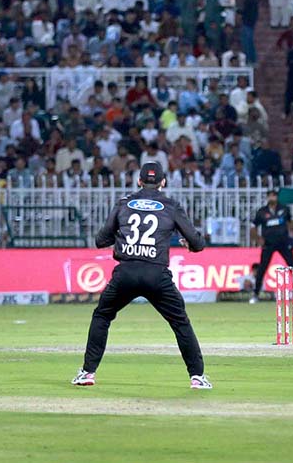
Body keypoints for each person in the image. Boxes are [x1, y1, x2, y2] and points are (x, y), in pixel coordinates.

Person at [72, 162, 212, 390]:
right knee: (180, 322)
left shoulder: (124, 203)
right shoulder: (171, 205)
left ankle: (88, 372)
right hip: (157, 274)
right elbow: (197, 243)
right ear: (163, 182)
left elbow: (100, 240)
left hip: (126, 272)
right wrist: (188, 243)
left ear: (139, 181)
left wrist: (122, 237)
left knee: (102, 316)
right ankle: (197, 377)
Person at [249, 189, 293, 304]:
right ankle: (255, 294)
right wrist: (258, 239)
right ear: (267, 198)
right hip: (268, 243)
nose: (272, 198)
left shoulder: (284, 209)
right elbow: (253, 227)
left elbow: (290, 222)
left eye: (274, 196)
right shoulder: (262, 212)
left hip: (284, 242)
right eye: (270, 196)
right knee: (262, 269)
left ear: (277, 197)